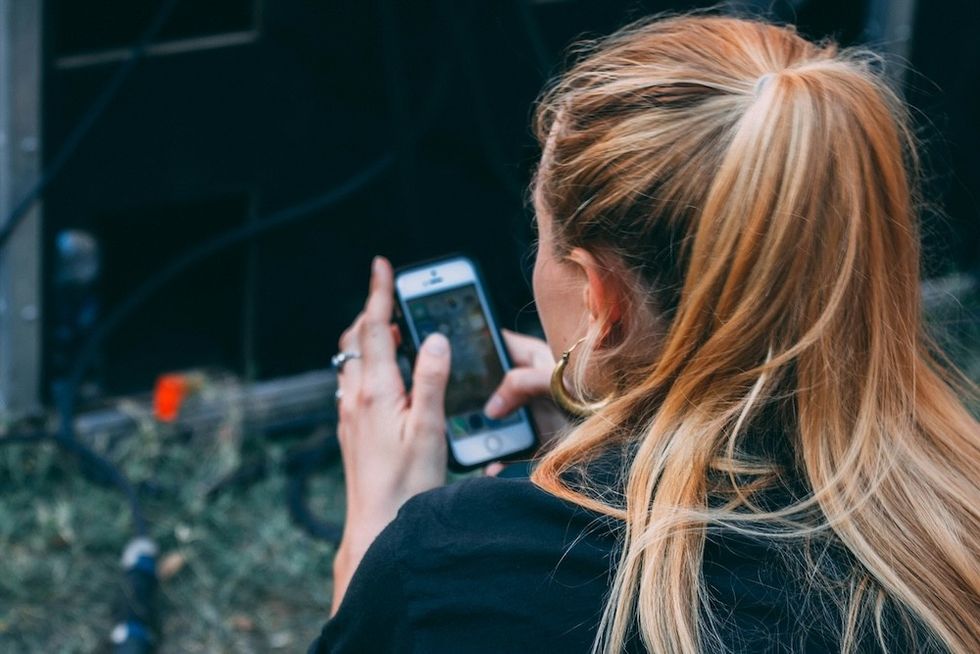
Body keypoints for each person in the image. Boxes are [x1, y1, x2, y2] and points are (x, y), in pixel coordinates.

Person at [310, 14, 980, 654]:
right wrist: (603, 434)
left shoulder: (454, 568)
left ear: (601, 299)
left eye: (539, 236)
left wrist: (373, 539)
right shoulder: (959, 522)